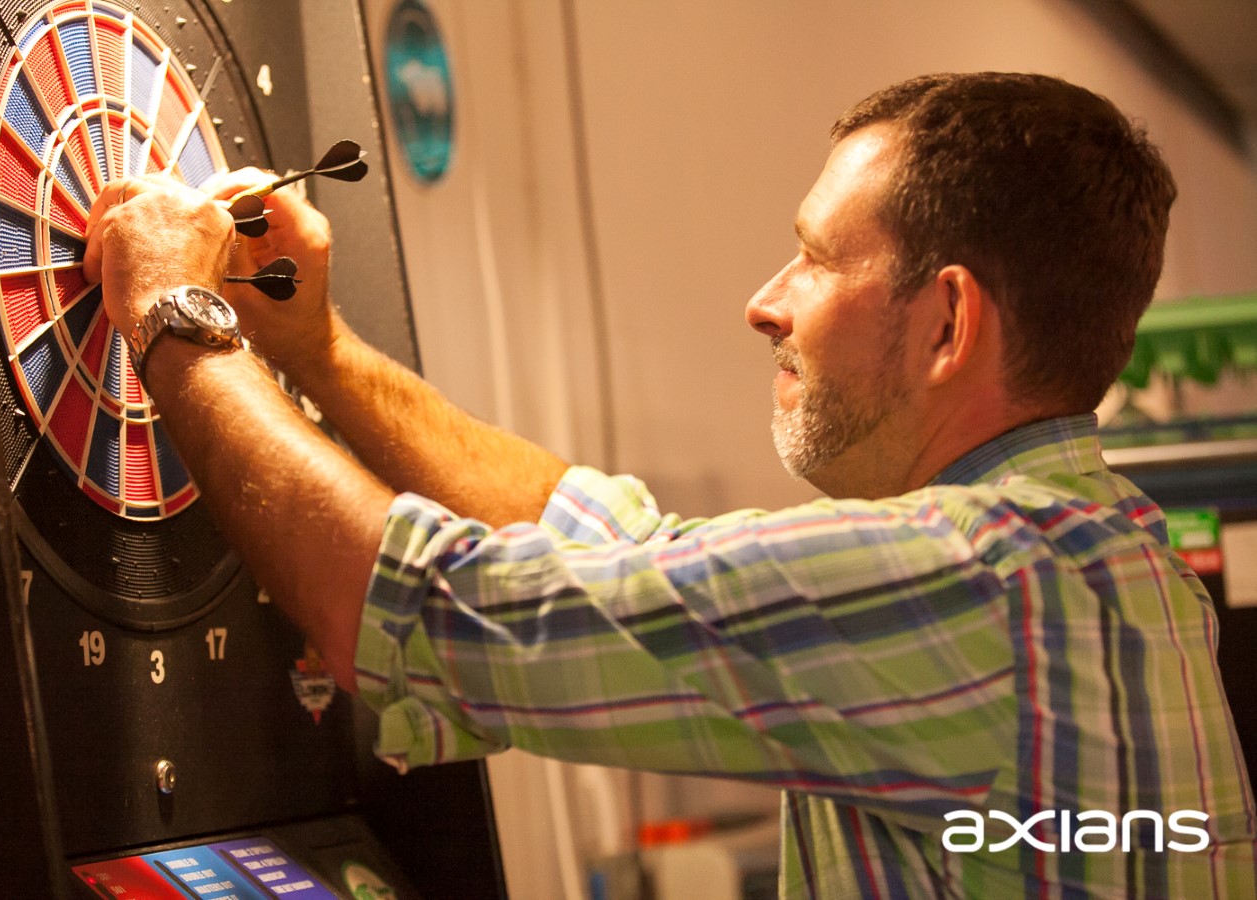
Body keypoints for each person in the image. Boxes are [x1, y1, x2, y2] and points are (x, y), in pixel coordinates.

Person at [84, 72, 1255, 897]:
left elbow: (420, 617)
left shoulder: (970, 582)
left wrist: (171, 310)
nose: (766, 302)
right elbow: (615, 545)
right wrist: (320, 353)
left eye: (817, 257)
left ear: (949, 322)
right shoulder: (1105, 555)